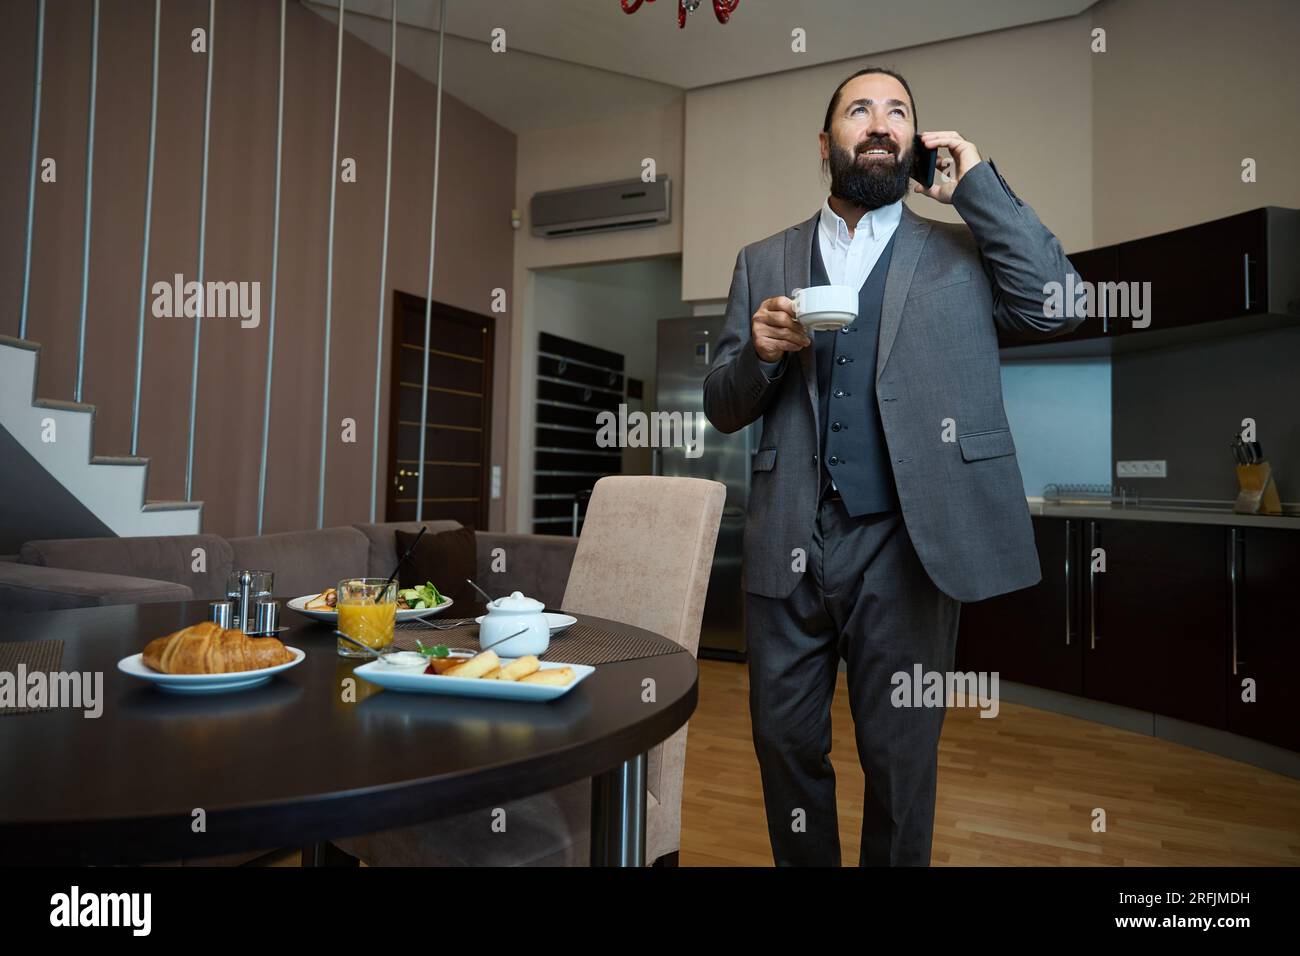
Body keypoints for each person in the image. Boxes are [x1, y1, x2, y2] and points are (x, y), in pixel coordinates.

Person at [702, 67, 1084, 866]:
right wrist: (761, 358)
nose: (880, 123)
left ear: (914, 141)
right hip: (787, 547)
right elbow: (723, 404)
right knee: (782, 745)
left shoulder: (960, 252)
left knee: (900, 764)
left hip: (908, 550)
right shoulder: (761, 260)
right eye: (859, 110)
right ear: (826, 141)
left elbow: (1059, 303)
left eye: (898, 112)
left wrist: (976, 184)